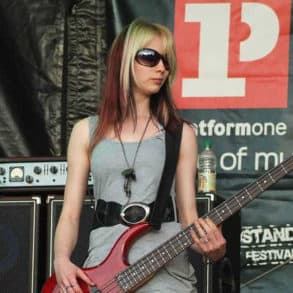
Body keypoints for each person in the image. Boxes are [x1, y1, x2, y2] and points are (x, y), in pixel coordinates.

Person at [53, 18, 226, 293]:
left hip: (167, 277)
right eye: (150, 57)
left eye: (166, 61)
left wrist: (213, 249)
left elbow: (188, 220)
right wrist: (60, 260)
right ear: (124, 59)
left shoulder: (180, 134)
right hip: (103, 274)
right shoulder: (86, 131)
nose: (161, 67)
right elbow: (71, 214)